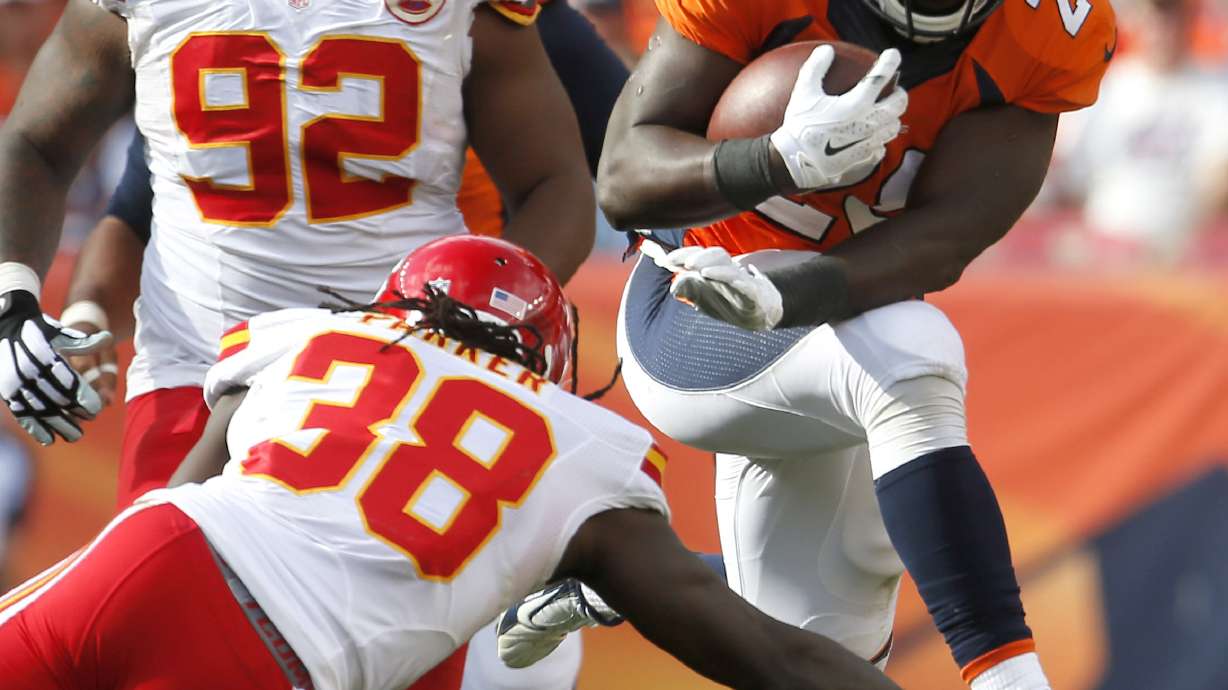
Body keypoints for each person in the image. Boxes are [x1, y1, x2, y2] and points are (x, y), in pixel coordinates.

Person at [502, 0, 1118, 689]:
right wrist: (771, 159)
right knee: (917, 352)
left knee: (828, 655)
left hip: (840, 318)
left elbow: (948, 236)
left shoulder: (1042, 29)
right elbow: (623, 180)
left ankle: (618, 577)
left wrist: (790, 296)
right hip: (697, 306)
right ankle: (1009, 675)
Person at [0, 236, 902, 690]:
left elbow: (178, 496)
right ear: (546, 358)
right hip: (276, 654)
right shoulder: (586, 449)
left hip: (152, 553)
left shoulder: (312, 335)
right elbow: (767, 656)